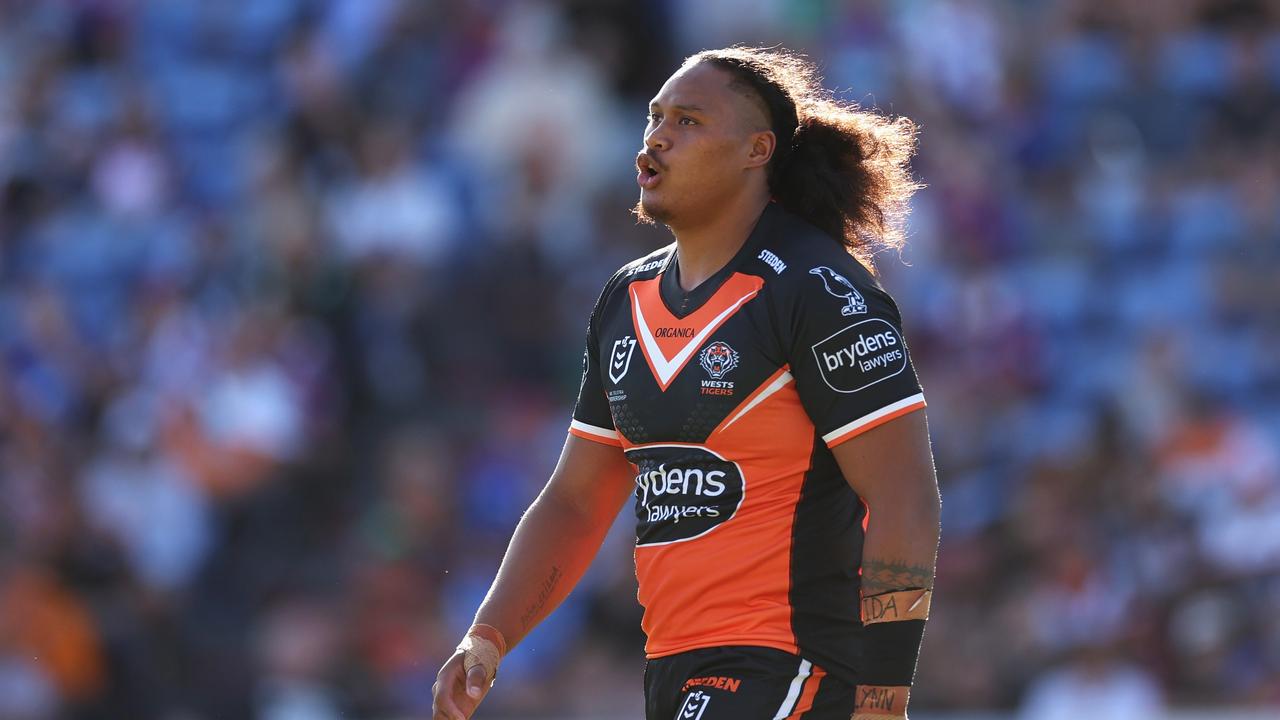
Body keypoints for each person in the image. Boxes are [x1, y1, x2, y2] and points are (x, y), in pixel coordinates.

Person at [433, 46, 940, 720]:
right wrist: (490, 636)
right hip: (675, 669)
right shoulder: (626, 297)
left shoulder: (817, 290)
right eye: (655, 117)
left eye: (690, 121)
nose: (658, 137)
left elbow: (904, 494)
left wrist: (883, 698)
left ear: (757, 150)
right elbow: (578, 501)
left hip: (792, 667)